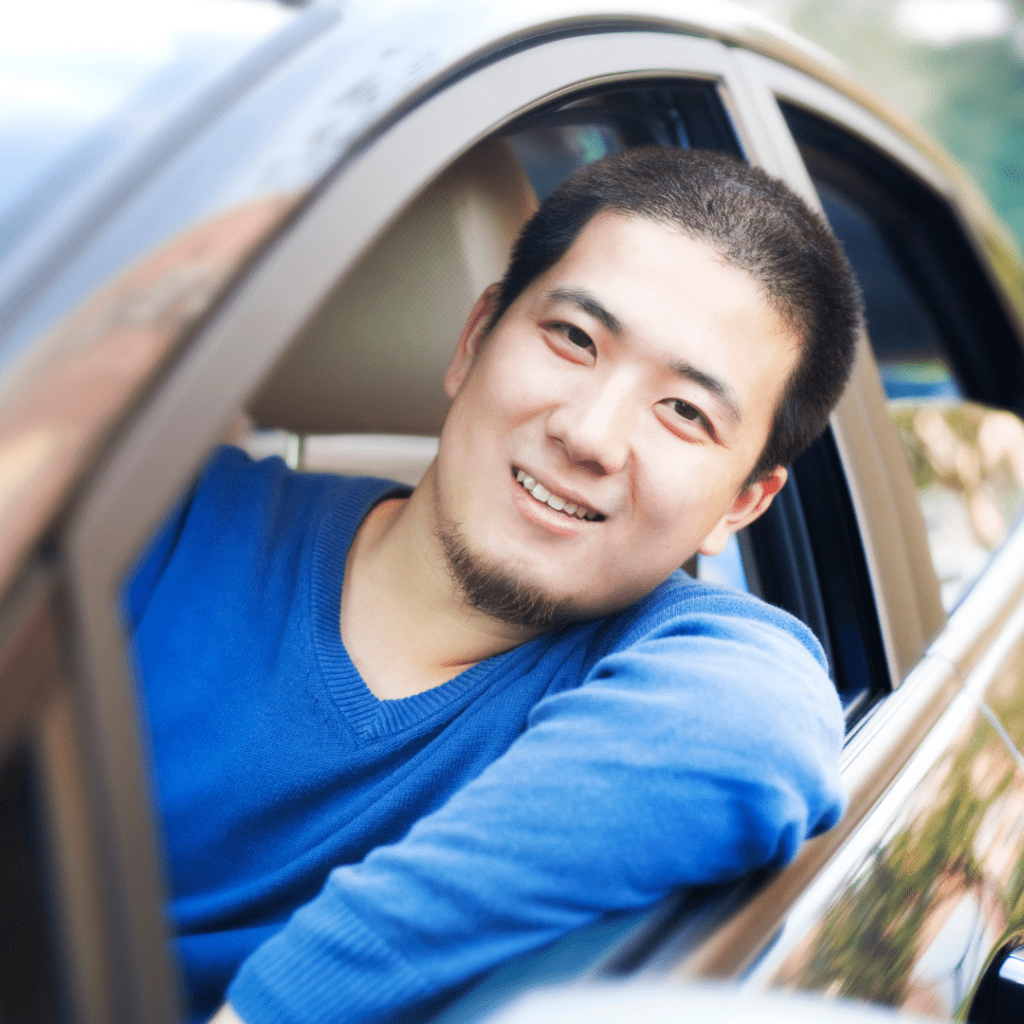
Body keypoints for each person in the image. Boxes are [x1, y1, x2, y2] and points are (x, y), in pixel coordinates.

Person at [125, 146, 863, 1024]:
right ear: (474, 341)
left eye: (686, 412)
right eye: (574, 339)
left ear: (740, 505)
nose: (590, 435)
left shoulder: (691, 668)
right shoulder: (157, 521)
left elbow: (756, 729)